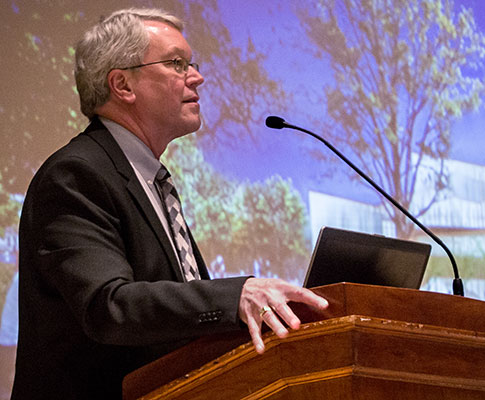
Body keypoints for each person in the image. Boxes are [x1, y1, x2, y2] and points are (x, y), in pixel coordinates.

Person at [11, 8, 328, 400]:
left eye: (190, 64)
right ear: (123, 84)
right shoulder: (76, 175)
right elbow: (110, 306)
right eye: (177, 64)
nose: (197, 76)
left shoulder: (151, 180)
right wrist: (235, 296)